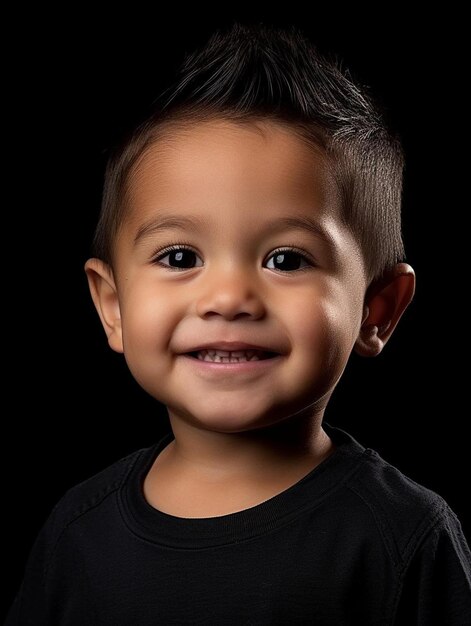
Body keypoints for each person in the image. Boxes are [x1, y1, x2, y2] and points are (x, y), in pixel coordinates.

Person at [6, 23, 471, 625]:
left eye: (286, 259)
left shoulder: (400, 539)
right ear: (112, 306)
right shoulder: (77, 534)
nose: (228, 298)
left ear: (377, 309)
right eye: (180, 258)